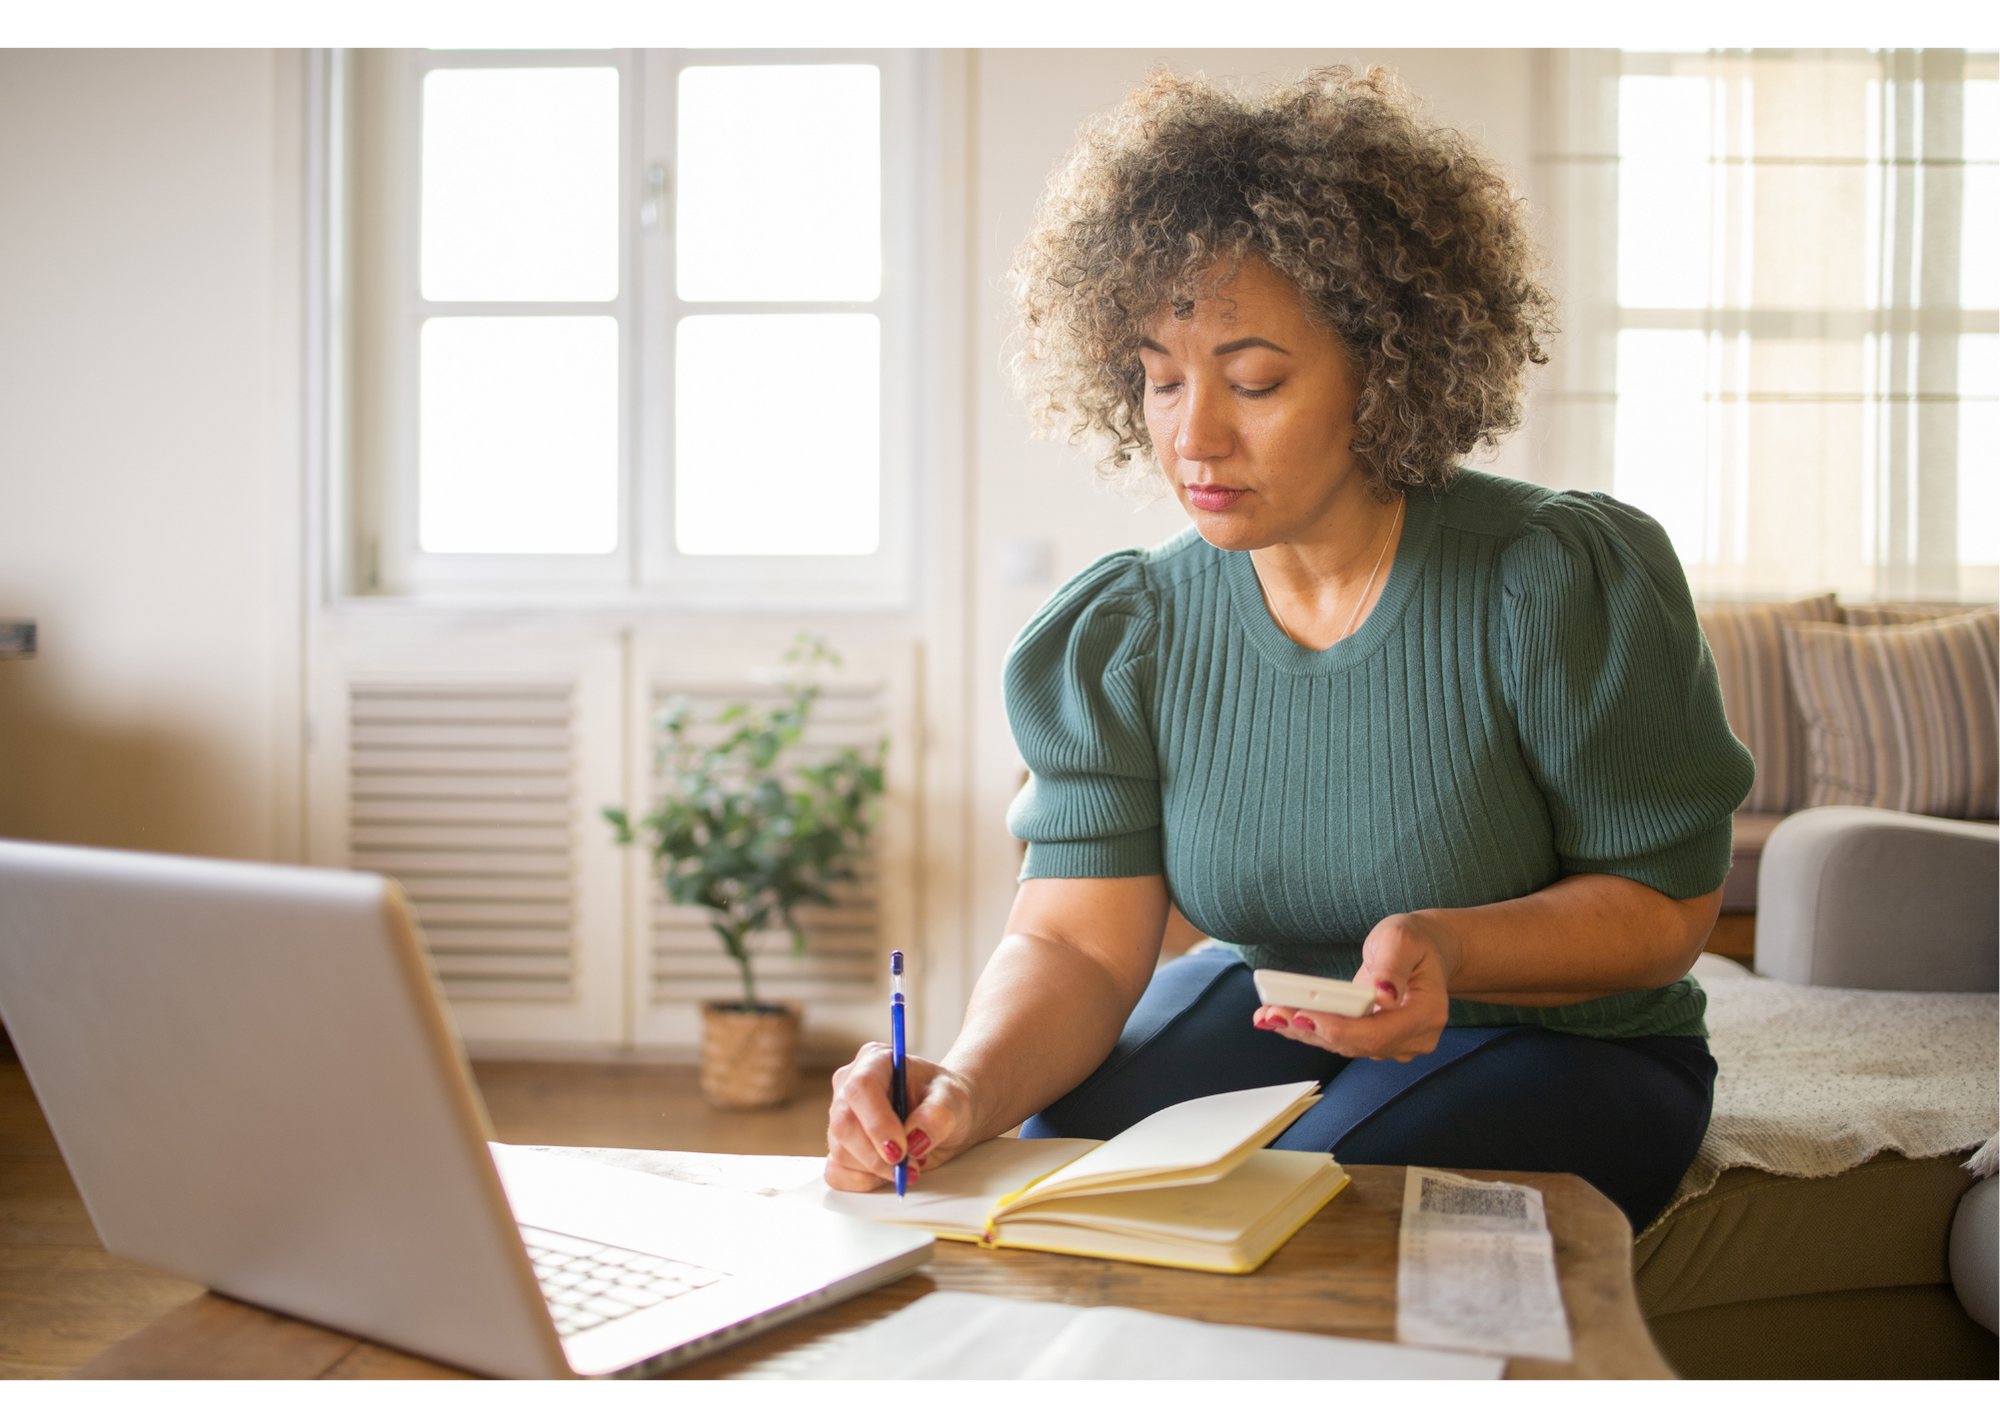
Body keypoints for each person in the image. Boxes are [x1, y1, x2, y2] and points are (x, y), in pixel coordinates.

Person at [825, 68, 1752, 1231]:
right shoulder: (1128, 631)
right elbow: (1072, 940)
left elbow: (1665, 906)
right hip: (1274, 1002)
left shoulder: (1552, 578)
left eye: (1253, 380)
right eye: (1161, 381)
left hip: (1564, 1039)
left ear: (1384, 368)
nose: (1194, 436)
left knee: (1311, 1204)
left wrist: (1447, 951)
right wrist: (958, 1086)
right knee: (1051, 1157)